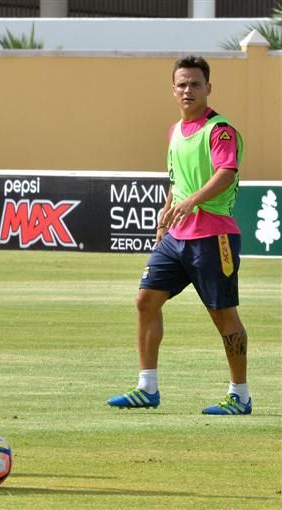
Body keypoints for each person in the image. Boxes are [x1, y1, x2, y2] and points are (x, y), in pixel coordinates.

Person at [107, 55, 250, 415]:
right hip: (177, 238)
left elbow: (225, 174)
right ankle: (147, 388)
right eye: (182, 84)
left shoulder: (219, 130)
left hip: (213, 236)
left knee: (223, 315)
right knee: (145, 300)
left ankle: (240, 395)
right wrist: (165, 216)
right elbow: (177, 180)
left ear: (208, 88)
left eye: (195, 84)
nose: (188, 90)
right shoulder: (174, 131)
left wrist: (190, 202)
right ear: (173, 89)